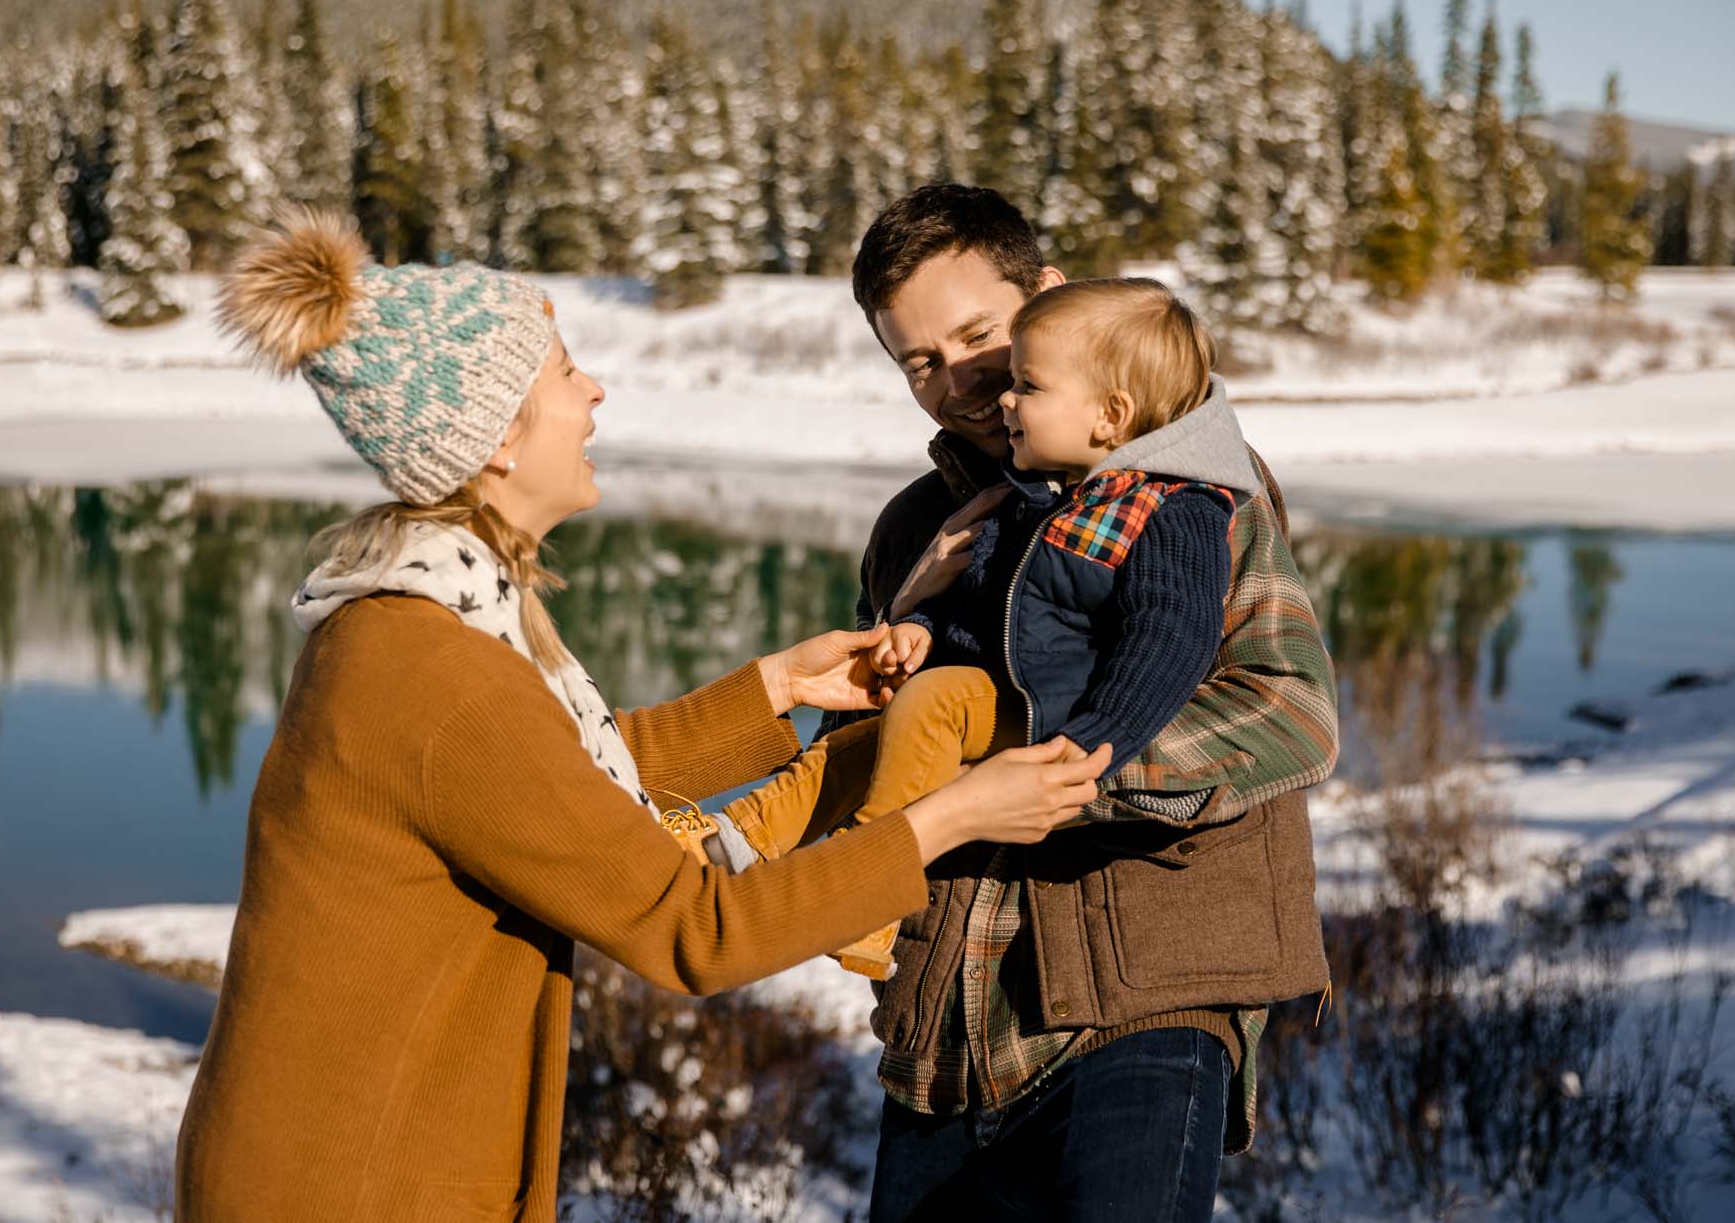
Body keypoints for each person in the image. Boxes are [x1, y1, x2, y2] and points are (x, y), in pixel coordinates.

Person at [172, 210, 1112, 1222]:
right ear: (495, 443)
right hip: (355, 1185)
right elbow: (693, 928)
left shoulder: (414, 626)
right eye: (564, 375)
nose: (593, 393)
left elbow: (548, 782)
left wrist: (777, 691)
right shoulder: (433, 671)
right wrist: (949, 816)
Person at [737, 184, 1338, 1223]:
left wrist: (1061, 771)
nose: (960, 377)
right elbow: (866, 760)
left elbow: (1291, 713)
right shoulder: (914, 527)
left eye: (977, 334)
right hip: (947, 1028)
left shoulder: (1186, 488)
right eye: (918, 360)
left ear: (1050, 295)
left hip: (1140, 997)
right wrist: (907, 604)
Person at [716, 277, 1260, 987]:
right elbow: (988, 605)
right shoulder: (1034, 497)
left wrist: (1092, 744)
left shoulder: (1174, 510)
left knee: (931, 705)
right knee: (862, 740)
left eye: (1026, 384)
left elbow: (1170, 642)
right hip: (1010, 696)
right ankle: (741, 835)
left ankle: (864, 890)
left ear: (1110, 416)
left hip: (1058, 720)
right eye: (921, 361)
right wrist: (916, 624)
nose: (1003, 395)